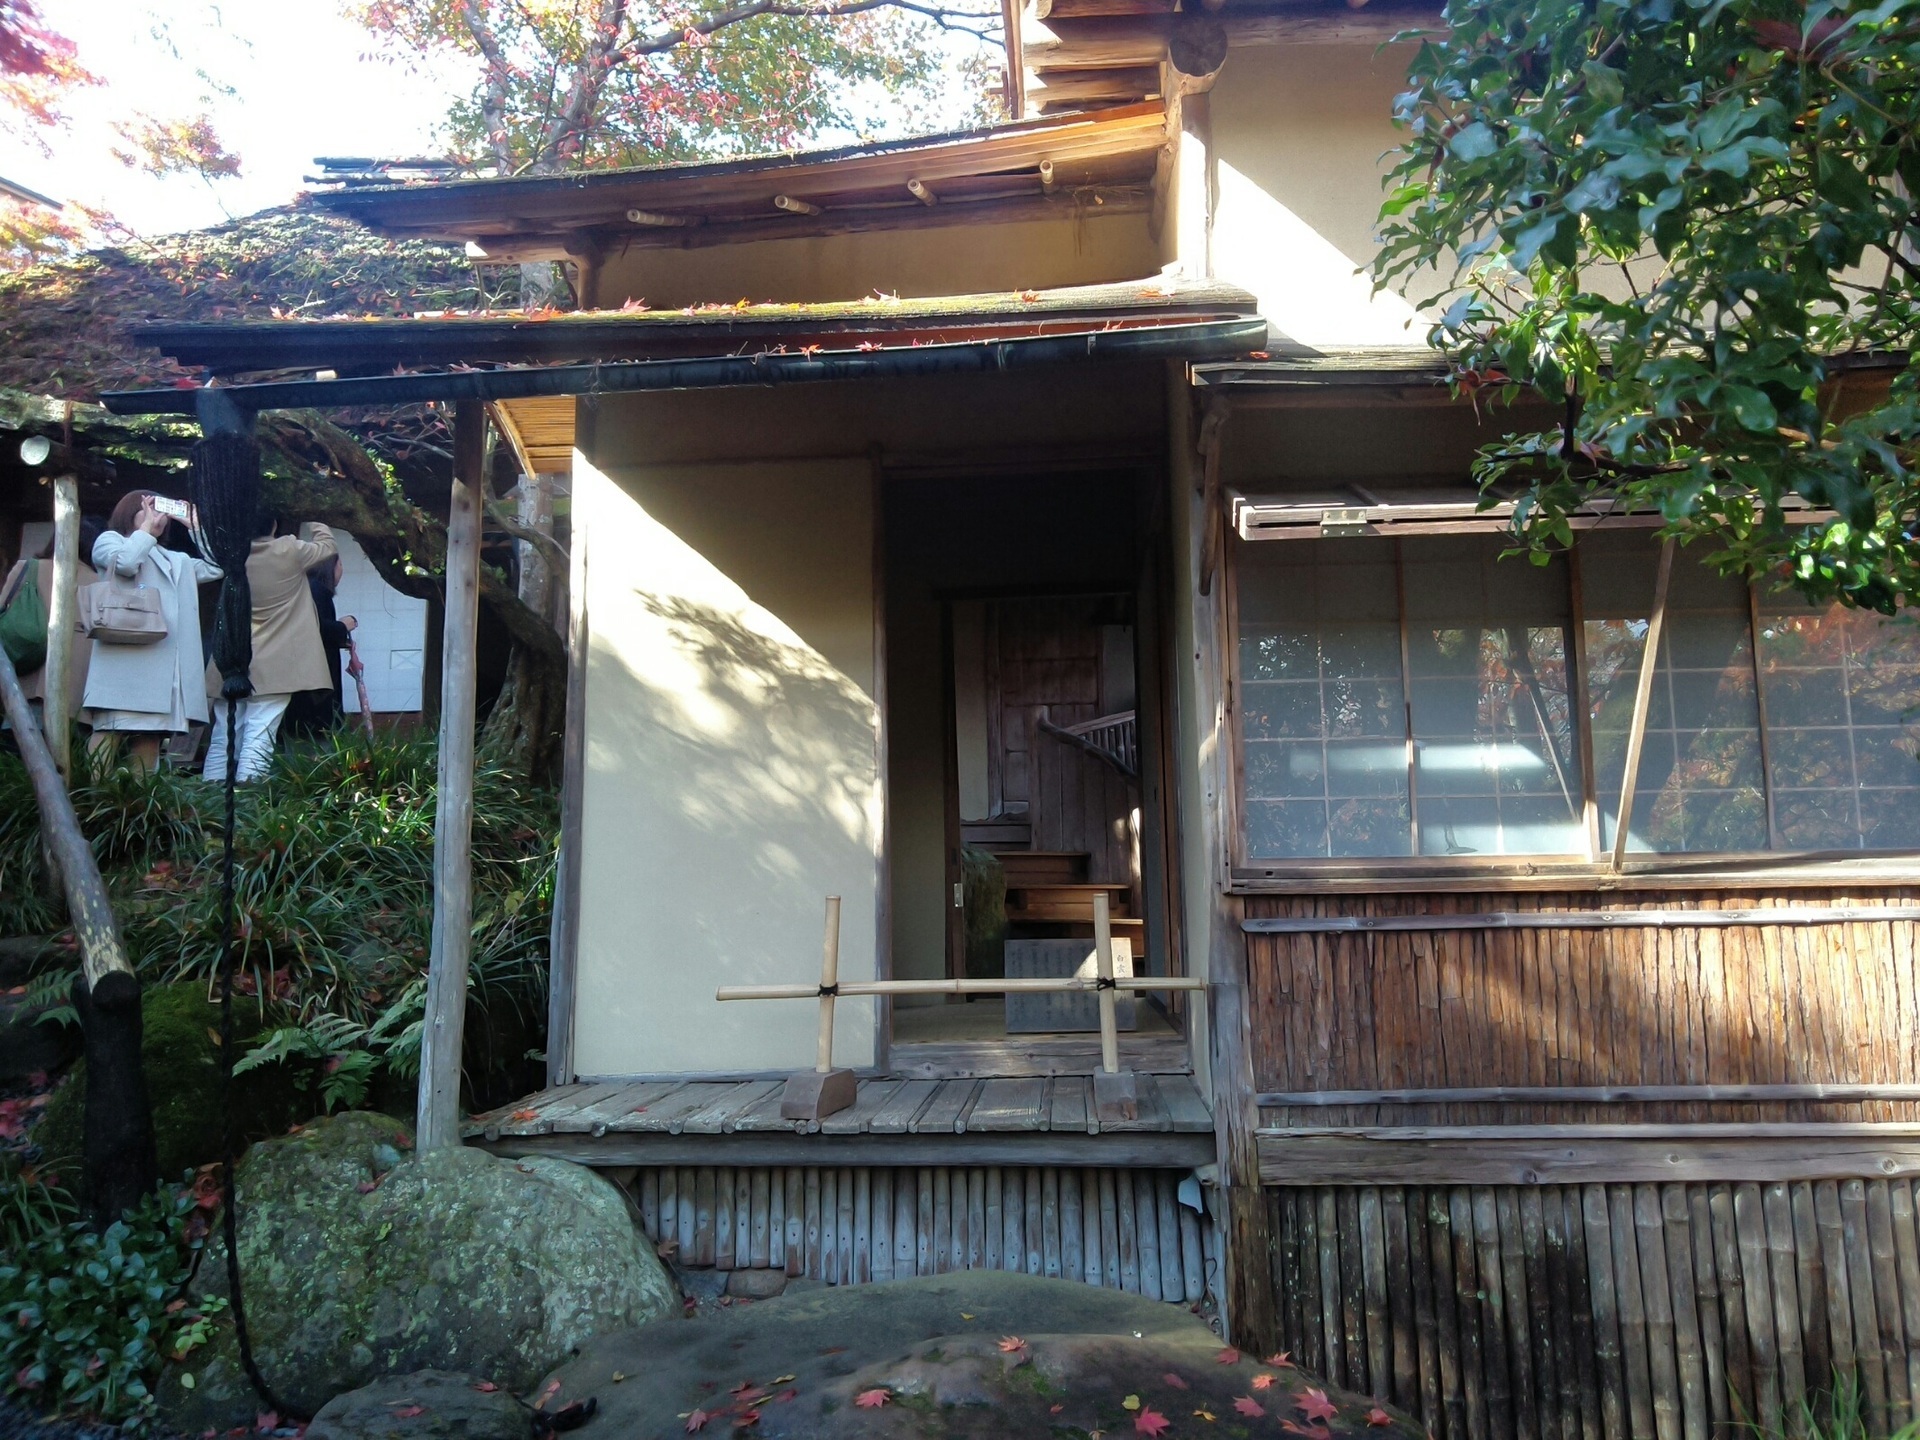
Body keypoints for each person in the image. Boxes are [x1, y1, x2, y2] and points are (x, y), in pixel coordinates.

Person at [86, 493, 222, 772]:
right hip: (123, 663)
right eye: (148, 510)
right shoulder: (110, 540)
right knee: (109, 731)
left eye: (161, 512)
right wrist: (145, 530)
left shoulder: (177, 559)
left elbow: (217, 567)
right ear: (129, 512)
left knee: (150, 737)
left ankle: (136, 807)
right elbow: (125, 563)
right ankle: (91, 802)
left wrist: (195, 526)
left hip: (162, 667)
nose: (157, 517)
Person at [203, 516, 337, 782]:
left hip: (231, 659)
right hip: (275, 664)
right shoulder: (288, 550)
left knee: (224, 735)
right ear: (273, 524)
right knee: (260, 733)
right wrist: (316, 518)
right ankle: (248, 800)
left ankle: (210, 800)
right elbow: (328, 546)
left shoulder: (231, 555)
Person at [0, 526, 100, 727]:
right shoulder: (100, 583)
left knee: (18, 746)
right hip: (77, 696)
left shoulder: (28, 567)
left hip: (25, 683)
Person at [283, 554, 357, 739]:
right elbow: (314, 628)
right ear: (331, 567)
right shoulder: (316, 591)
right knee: (316, 730)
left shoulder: (307, 590)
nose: (342, 570)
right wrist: (343, 626)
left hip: (307, 674)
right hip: (314, 680)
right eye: (340, 564)